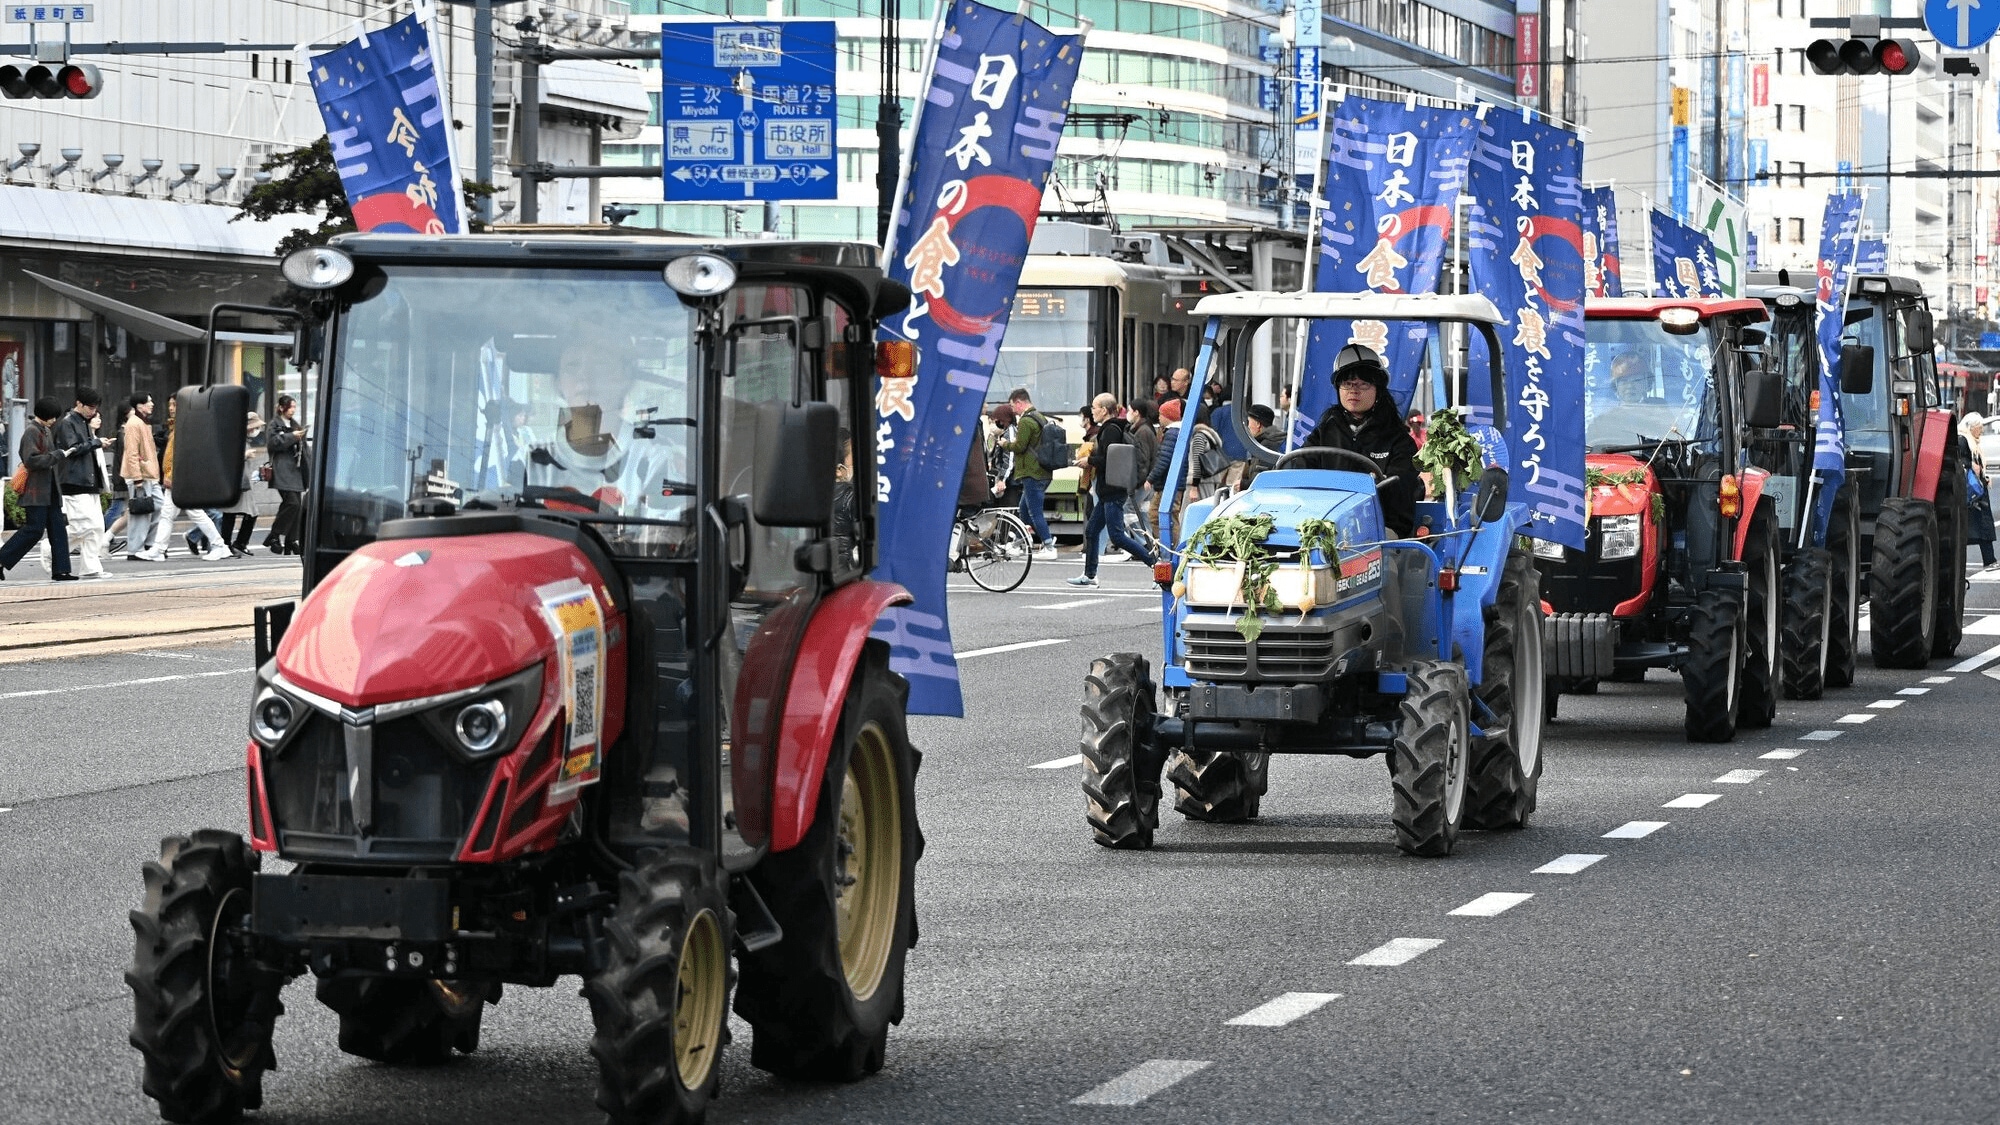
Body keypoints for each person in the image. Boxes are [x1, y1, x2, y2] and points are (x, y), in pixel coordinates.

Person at [1304, 344, 1420, 537]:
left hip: (1380, 529)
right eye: (1347, 383)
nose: (1353, 390)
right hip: (1324, 525)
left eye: (1363, 383)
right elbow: (1300, 468)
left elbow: (1400, 492)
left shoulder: (1398, 440)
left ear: (1378, 390)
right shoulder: (1323, 433)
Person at [1068, 393, 1157, 587]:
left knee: (1117, 535)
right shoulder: (1113, 427)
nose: (1092, 412)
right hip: (1109, 489)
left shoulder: (1110, 430)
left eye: (1094, 408)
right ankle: (1090, 575)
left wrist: (1088, 460)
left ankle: (1156, 566)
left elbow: (1109, 458)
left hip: (1113, 490)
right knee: (1091, 531)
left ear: (1104, 410)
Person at [0, 398, 75, 581]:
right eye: (53, 417)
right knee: (34, 529)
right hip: (36, 490)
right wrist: (57, 455)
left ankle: (62, 570)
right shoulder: (32, 431)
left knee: (58, 529)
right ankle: (1, 559)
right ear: (46, 416)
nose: (54, 420)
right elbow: (31, 460)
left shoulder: (45, 430)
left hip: (48, 490)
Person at [37, 387, 109, 578]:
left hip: (89, 480)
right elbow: (72, 449)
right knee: (83, 526)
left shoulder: (84, 423)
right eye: (90, 407)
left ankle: (91, 568)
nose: (93, 412)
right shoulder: (67, 423)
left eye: (95, 408)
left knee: (97, 527)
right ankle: (50, 547)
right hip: (73, 481)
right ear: (79, 403)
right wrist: (96, 442)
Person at [998, 388, 1059, 560]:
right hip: (1043, 471)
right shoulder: (1040, 417)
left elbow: (1019, 447)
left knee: (1034, 512)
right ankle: (1020, 541)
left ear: (1019, 402)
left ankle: (1048, 545)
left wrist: (1004, 444)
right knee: (1023, 509)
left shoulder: (1025, 421)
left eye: (1012, 406)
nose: (1012, 410)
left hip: (1032, 473)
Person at [264, 394, 308, 554]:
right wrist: (292, 436)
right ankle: (274, 535)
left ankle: (291, 540)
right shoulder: (274, 424)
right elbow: (273, 443)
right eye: (290, 407)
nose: (293, 410)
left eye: (295, 407)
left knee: (296, 506)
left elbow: (304, 449)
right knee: (292, 503)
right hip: (281, 469)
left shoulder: (294, 424)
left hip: (295, 470)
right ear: (282, 407)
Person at [120, 393, 161, 561]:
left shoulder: (142, 422)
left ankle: (149, 544)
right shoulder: (134, 423)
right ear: (139, 405)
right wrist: (137, 477)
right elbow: (131, 452)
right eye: (148, 401)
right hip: (140, 475)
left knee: (159, 506)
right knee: (140, 512)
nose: (152, 404)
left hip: (149, 474)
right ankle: (135, 550)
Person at [217, 411, 265, 556]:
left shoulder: (242, 439)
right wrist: (245, 455)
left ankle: (236, 543)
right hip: (236, 482)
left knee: (240, 513)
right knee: (231, 514)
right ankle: (231, 544)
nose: (255, 431)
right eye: (253, 427)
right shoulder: (235, 438)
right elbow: (227, 458)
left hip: (243, 481)